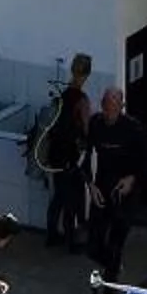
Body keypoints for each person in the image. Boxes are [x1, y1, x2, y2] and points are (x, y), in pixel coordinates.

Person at [84, 83, 145, 282]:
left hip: (125, 190)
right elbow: (85, 157)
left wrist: (132, 178)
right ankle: (114, 267)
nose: (110, 112)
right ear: (101, 106)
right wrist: (90, 185)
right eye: (106, 107)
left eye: (114, 107)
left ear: (121, 106)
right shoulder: (95, 123)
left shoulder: (133, 128)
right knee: (93, 246)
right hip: (101, 187)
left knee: (115, 244)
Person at [36, 53, 91, 250]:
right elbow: (86, 129)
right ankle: (71, 241)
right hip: (70, 156)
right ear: (86, 75)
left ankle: (51, 235)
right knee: (72, 197)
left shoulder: (61, 95)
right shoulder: (81, 100)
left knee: (58, 195)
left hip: (55, 153)